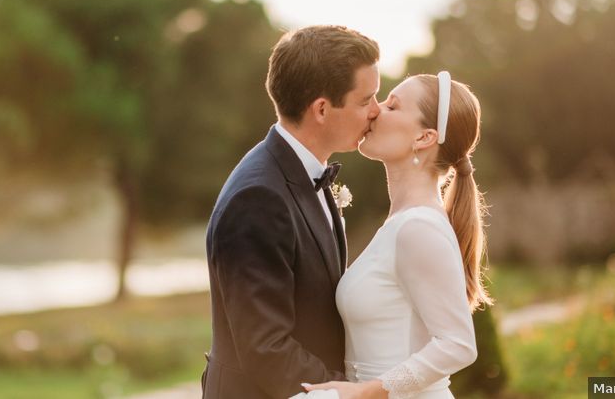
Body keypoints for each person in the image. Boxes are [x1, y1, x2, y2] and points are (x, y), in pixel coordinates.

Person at [202, 25, 381, 399]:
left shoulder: (301, 172)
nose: (376, 112)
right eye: (366, 100)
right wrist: (353, 392)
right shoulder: (257, 198)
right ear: (321, 109)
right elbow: (266, 348)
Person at [299, 71, 490, 399]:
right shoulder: (401, 224)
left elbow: (459, 345)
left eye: (392, 105)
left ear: (424, 138)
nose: (374, 110)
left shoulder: (419, 229)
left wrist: (367, 392)